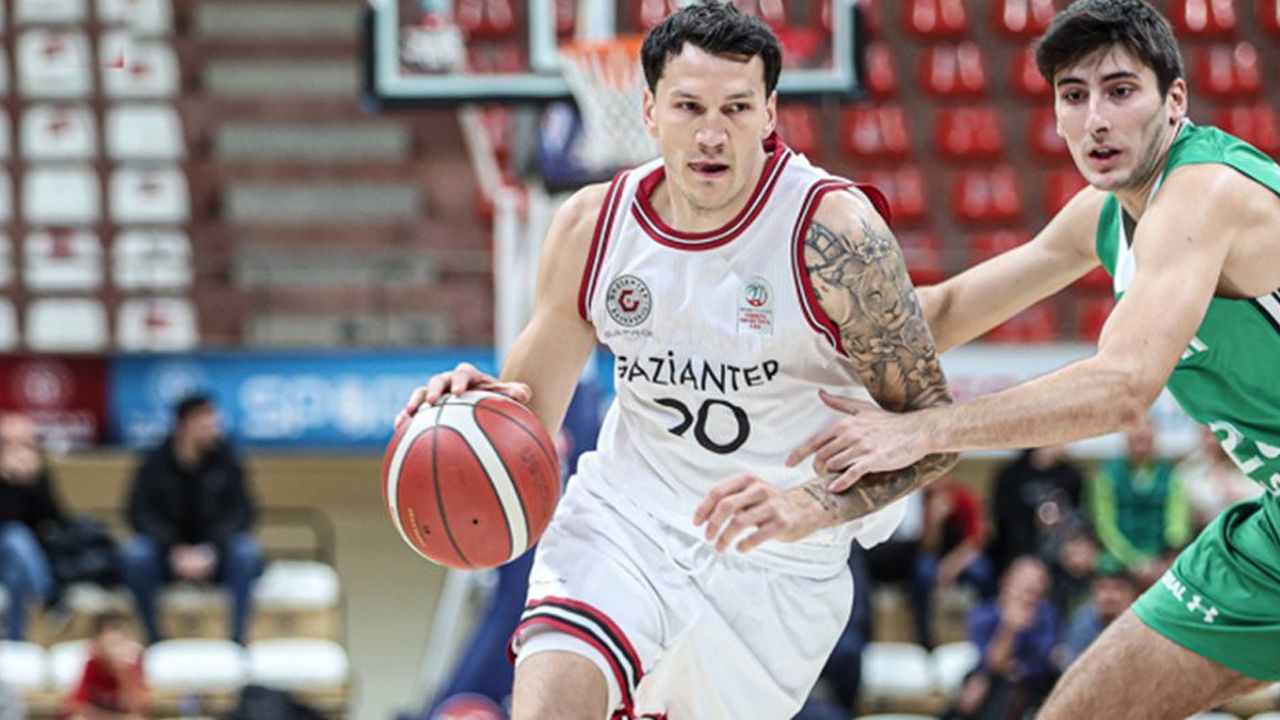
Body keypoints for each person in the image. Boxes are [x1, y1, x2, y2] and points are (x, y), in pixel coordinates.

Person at [397, 4, 957, 718]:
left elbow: (933, 432)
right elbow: (527, 416)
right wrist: (470, 412)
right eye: (689, 106)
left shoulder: (834, 234)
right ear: (649, 111)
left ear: (769, 113)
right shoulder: (592, 227)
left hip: (778, 563)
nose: (712, 133)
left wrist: (808, 505)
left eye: (736, 108)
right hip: (626, 523)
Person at [788, 0, 1280, 715]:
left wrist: (923, 430)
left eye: (1120, 91)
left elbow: (1120, 389)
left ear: (1175, 100)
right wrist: (781, 347)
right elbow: (945, 311)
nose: (1096, 119)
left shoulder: (1203, 192)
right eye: (1074, 96)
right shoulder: (1104, 214)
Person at [122, 394, 262, 645]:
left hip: (216, 556)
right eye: (208, 425)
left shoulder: (228, 460)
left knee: (246, 552)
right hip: (167, 557)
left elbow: (243, 513)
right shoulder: (154, 462)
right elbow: (139, 513)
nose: (216, 430)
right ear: (185, 425)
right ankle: (154, 639)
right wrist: (174, 550)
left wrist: (211, 549)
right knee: (136, 554)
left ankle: (237, 640)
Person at [946, 557, 1060, 720]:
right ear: (1006, 583)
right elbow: (992, 663)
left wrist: (1010, 669)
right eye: (1026, 589)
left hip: (1032, 686)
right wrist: (1009, 628)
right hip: (991, 684)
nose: (1031, 597)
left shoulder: (1047, 615)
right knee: (973, 692)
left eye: (1039, 591)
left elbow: (1041, 662)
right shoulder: (982, 615)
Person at [1087, 414, 1190, 587]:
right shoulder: (1106, 475)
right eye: (1135, 434)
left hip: (1161, 559)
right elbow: (1105, 526)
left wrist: (1165, 557)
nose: (1141, 436)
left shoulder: (1171, 476)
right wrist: (1132, 560)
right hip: (1119, 560)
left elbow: (1177, 523)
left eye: (1146, 434)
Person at [0, 412, 65, 640]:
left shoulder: (37, 473)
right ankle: (49, 596)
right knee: (15, 535)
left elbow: (53, 519)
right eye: (11, 444)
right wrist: (7, 482)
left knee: (17, 575)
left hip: (25, 559)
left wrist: (31, 484)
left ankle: (15, 644)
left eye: (27, 444)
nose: (19, 451)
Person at [913, 477, 995, 649]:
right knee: (921, 573)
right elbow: (927, 547)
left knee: (983, 571)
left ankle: (986, 628)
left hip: (963, 557)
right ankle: (926, 640)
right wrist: (935, 522)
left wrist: (949, 568)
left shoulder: (964, 497)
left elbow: (976, 542)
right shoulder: (921, 501)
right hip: (936, 557)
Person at [986, 446, 1084, 574]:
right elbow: (1003, 524)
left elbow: (1080, 520)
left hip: (1063, 555)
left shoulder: (1071, 477)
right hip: (1019, 555)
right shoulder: (1011, 476)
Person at [62, 611, 149, 720]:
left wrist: (124, 675)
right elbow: (75, 705)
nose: (116, 651)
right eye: (111, 645)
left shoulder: (132, 664)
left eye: (119, 644)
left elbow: (138, 709)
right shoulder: (93, 664)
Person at [1176, 425, 1262, 531]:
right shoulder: (1192, 468)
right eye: (1206, 435)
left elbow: (1256, 501)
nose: (1211, 441)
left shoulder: (1250, 465)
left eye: (1213, 436)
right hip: (1204, 531)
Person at [1058, 559, 1139, 667]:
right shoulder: (1082, 623)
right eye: (1102, 588)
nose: (1109, 596)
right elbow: (1073, 667)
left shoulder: (1143, 622)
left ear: (1131, 593)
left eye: (1118, 588)